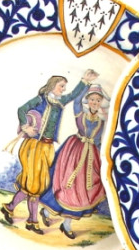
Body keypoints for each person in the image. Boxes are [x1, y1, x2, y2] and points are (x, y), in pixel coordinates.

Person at [1, 70, 98, 233]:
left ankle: (10, 207)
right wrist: (25, 126)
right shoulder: (41, 99)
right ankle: (32, 221)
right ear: (52, 86)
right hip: (33, 146)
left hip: (47, 147)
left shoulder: (59, 102)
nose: (63, 89)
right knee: (34, 185)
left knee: (37, 183)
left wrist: (84, 81)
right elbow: (21, 109)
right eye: (61, 86)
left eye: (64, 87)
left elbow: (73, 95)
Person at [38, 83, 109, 239]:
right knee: (64, 184)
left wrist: (100, 159)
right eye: (92, 99)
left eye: (98, 100)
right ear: (87, 100)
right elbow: (76, 102)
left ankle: (66, 224)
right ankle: (46, 212)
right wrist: (86, 85)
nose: (95, 102)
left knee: (81, 191)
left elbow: (97, 141)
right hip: (73, 153)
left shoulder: (101, 121)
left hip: (90, 157)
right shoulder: (81, 114)